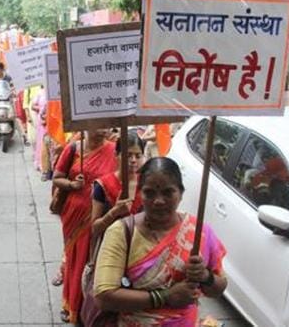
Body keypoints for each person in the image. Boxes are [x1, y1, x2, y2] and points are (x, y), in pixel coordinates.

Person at [93, 157, 227, 325]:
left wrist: (205, 276)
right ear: (140, 194)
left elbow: (219, 288)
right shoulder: (121, 232)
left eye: (168, 192)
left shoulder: (200, 231)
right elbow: (104, 297)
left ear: (181, 193)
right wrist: (166, 296)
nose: (158, 201)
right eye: (149, 193)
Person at [51, 129, 117, 324]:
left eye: (107, 125)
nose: (103, 129)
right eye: (99, 124)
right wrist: (71, 185)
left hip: (102, 215)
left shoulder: (114, 150)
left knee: (94, 261)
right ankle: (70, 304)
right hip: (74, 214)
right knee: (75, 260)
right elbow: (56, 177)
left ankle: (90, 307)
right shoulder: (73, 148)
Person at [91, 130, 146, 242]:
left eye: (138, 156)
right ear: (116, 155)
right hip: (110, 247)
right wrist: (114, 212)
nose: (133, 160)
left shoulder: (146, 183)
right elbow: (95, 228)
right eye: (128, 155)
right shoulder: (103, 185)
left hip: (140, 248)